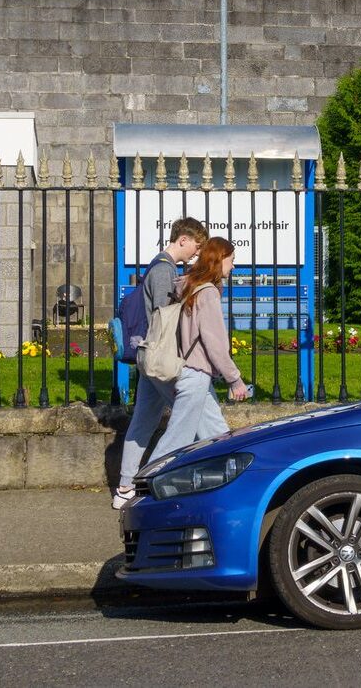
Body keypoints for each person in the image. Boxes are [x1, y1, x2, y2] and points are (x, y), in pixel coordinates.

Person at [111, 217, 208, 510]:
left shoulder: (156, 265)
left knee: (143, 422)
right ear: (182, 240)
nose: (196, 252)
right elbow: (168, 317)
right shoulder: (165, 270)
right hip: (160, 358)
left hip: (147, 355)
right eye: (196, 245)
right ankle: (158, 483)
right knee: (194, 415)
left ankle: (125, 487)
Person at [159, 236, 250, 452]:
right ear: (219, 259)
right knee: (175, 442)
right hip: (195, 374)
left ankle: (225, 482)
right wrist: (235, 380)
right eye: (231, 259)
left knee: (218, 437)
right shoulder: (207, 293)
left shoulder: (191, 285)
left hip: (191, 372)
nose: (234, 265)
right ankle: (147, 482)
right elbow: (215, 344)